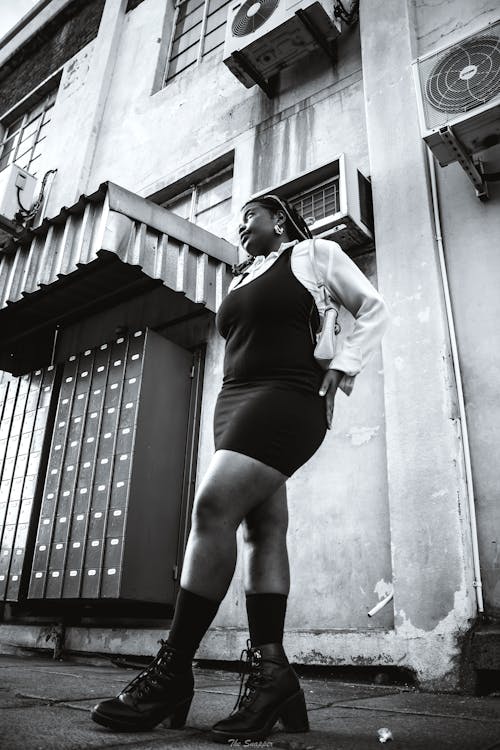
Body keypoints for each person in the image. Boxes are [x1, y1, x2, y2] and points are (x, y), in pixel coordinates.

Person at [91, 194, 390, 743]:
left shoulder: (314, 254)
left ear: (278, 218)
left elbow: (372, 306)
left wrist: (344, 365)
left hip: (287, 394)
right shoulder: (241, 277)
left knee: (213, 506)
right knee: (262, 527)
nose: (240, 224)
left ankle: (172, 670)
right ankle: (273, 673)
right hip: (234, 400)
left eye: (249, 214)